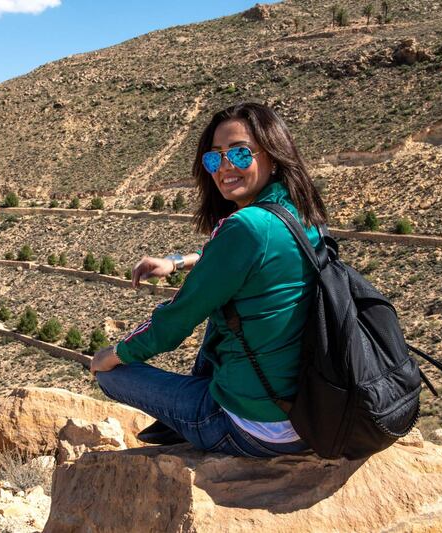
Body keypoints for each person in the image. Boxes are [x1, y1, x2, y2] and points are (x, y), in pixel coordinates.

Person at [90, 102, 328, 458]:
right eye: (214, 158)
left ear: (273, 156)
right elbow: (246, 265)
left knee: (110, 374)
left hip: (256, 428)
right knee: (226, 327)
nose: (226, 167)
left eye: (240, 154)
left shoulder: (246, 227)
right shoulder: (301, 213)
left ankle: (190, 422)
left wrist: (114, 353)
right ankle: (180, 419)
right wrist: (177, 261)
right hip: (310, 415)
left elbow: (175, 321)